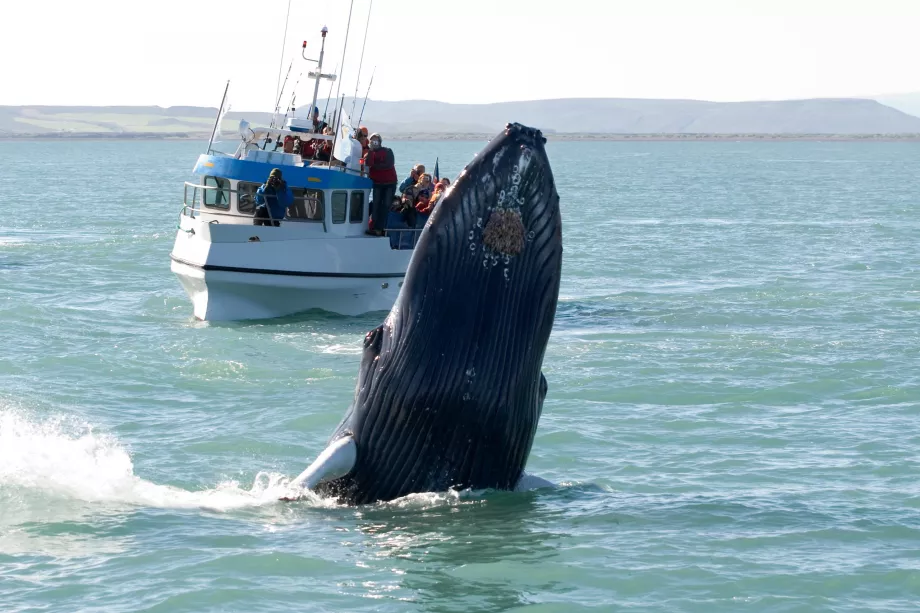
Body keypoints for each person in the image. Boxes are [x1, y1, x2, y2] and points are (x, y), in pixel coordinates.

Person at [362, 133, 398, 236]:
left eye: (376, 141)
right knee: (376, 205)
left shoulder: (388, 151)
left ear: (380, 142)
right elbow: (368, 164)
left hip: (389, 183)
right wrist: (370, 152)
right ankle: (373, 227)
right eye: (372, 141)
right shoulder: (369, 153)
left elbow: (388, 164)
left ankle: (380, 228)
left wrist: (375, 166)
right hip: (377, 183)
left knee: (385, 205)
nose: (374, 143)